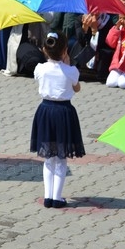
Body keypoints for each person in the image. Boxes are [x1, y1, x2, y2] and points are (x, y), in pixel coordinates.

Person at [30, 31, 85, 209]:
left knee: (48, 157)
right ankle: (57, 197)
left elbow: (42, 78)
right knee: (61, 158)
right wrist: (67, 65)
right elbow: (77, 88)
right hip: (64, 112)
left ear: (45, 49)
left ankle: (48, 196)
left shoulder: (39, 68)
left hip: (45, 111)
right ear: (65, 50)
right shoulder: (72, 71)